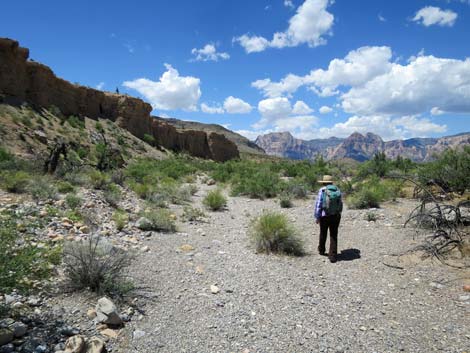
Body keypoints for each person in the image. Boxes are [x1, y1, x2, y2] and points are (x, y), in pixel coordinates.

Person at [314, 175, 343, 263]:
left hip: (324, 216)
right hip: (335, 215)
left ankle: (321, 250)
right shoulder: (337, 190)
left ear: (323, 182)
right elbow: (341, 204)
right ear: (331, 182)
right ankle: (333, 256)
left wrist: (317, 216)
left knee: (323, 233)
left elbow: (318, 205)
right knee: (333, 235)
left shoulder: (322, 190)